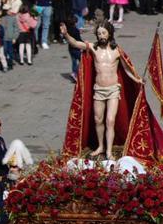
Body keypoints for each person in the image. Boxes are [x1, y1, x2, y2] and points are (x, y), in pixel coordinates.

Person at [60, 21, 142, 157]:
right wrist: (66, 34)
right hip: (98, 90)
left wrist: (136, 79)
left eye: (104, 33)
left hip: (113, 90)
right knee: (98, 119)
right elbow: (75, 43)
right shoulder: (93, 48)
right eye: (99, 34)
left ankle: (109, 151)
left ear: (110, 33)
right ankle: (101, 146)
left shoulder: (117, 51)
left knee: (110, 120)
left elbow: (126, 69)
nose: (101, 36)